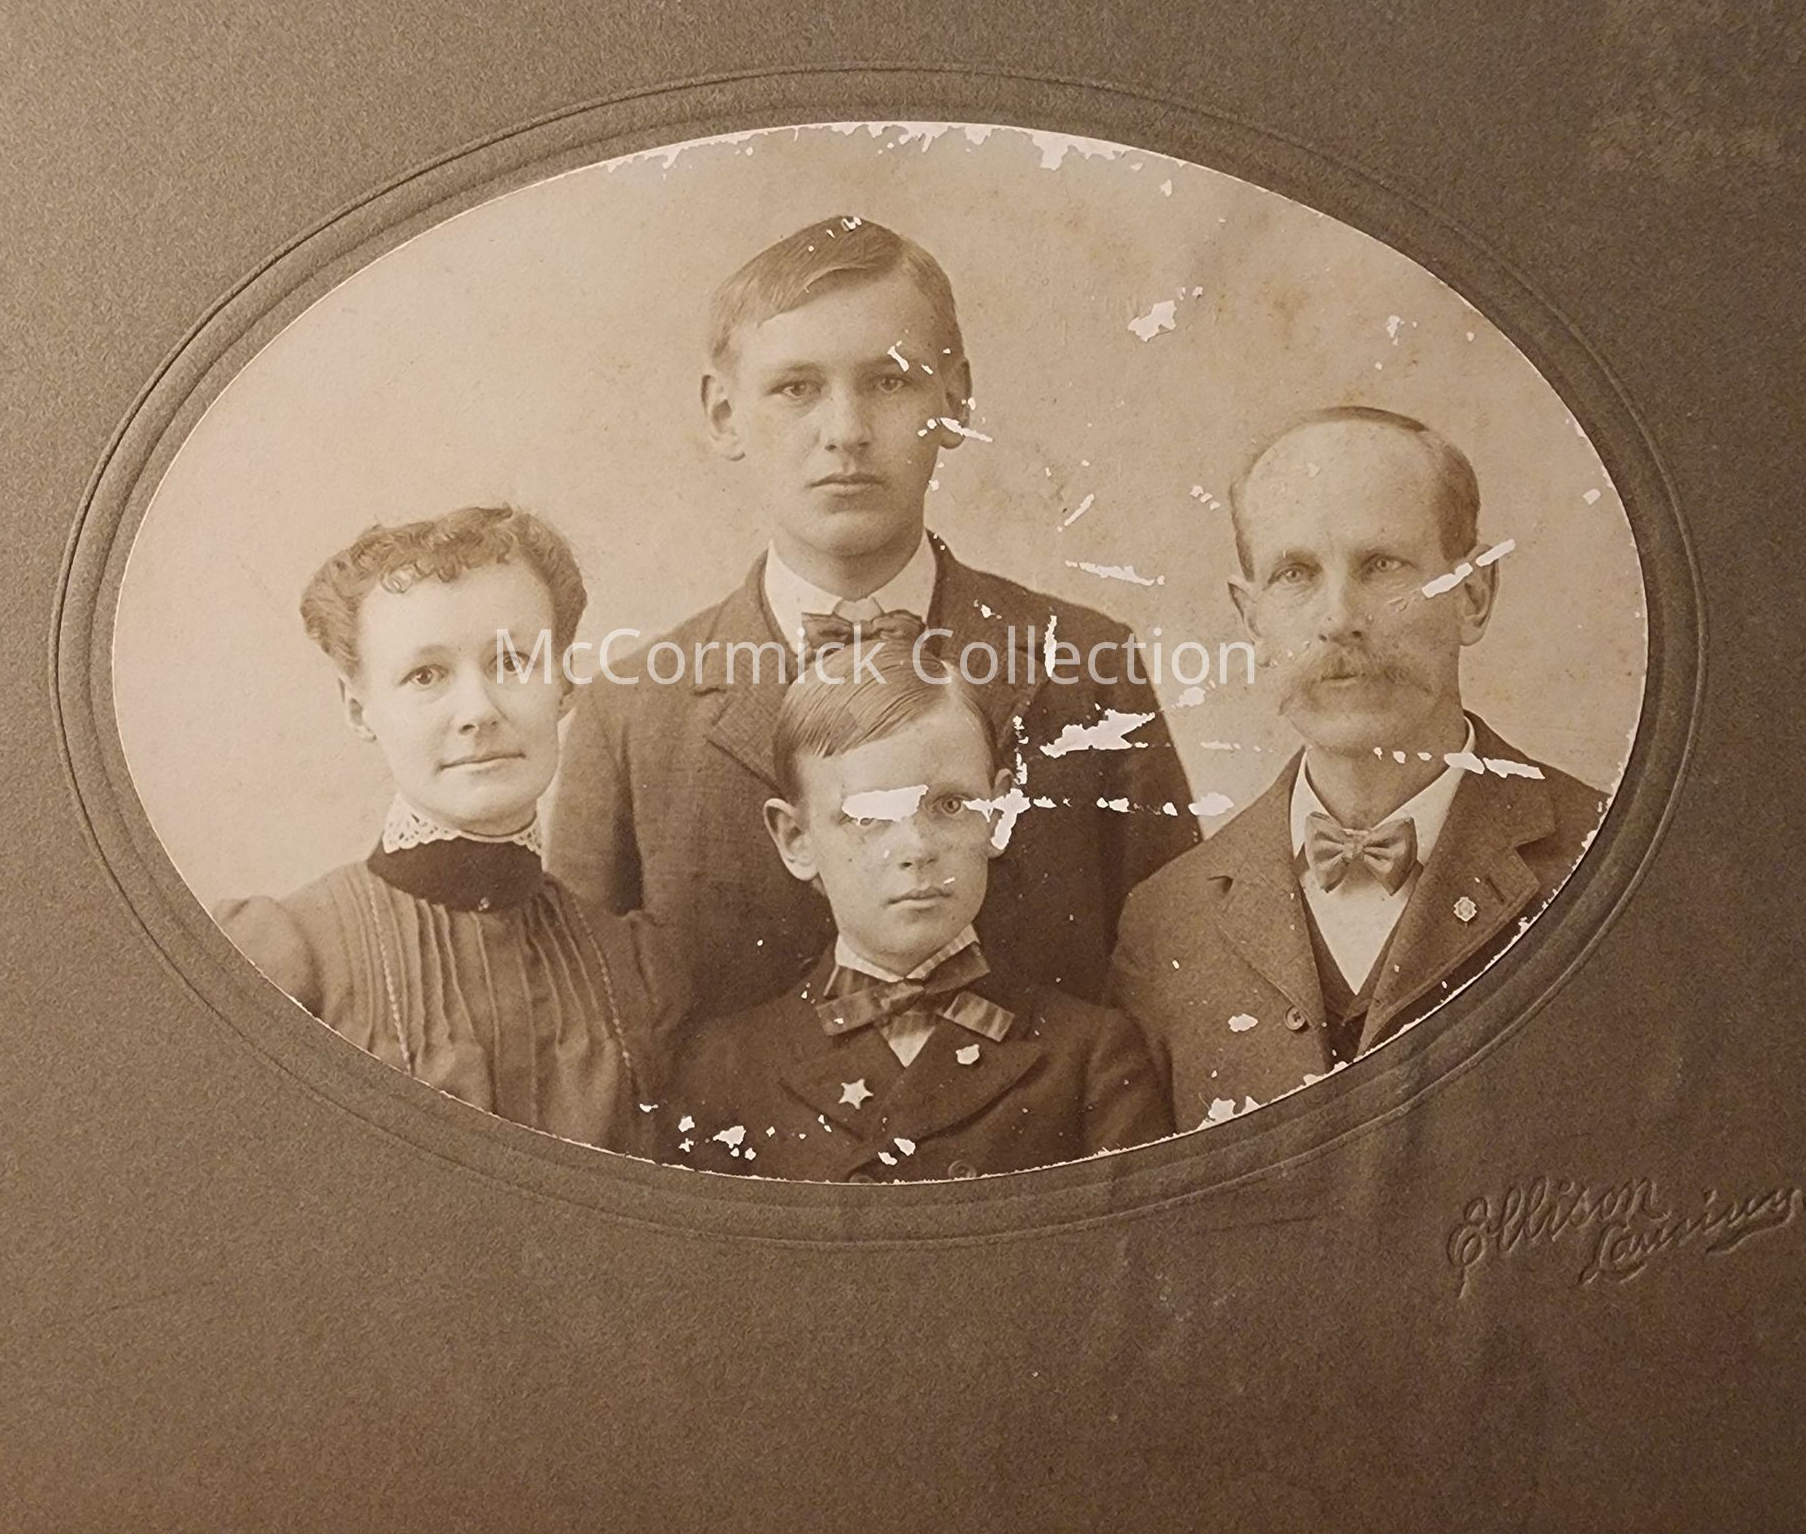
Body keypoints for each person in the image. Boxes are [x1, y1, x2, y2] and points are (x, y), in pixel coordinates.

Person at [553, 215, 1199, 1021]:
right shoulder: (630, 711)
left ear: (955, 401)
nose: (847, 433)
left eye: (890, 382)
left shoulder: (1087, 667)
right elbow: (584, 1018)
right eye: (797, 388)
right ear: (723, 414)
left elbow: (1174, 984)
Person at [1110, 406, 1608, 1125]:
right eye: (1295, 574)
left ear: (1472, 596)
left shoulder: (1605, 858)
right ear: (1252, 620)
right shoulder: (1165, 923)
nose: (1339, 617)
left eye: (1382, 566)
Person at [216, 504, 686, 1158]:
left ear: (563, 685)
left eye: (513, 662)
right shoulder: (289, 960)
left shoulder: (635, 969)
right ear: (359, 709)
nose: (478, 712)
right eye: (426, 676)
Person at [673, 640, 1171, 1181]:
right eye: (868, 816)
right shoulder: (726, 1069)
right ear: (797, 838)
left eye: (950, 805)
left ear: (999, 814)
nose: (916, 847)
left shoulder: (1090, 1057)